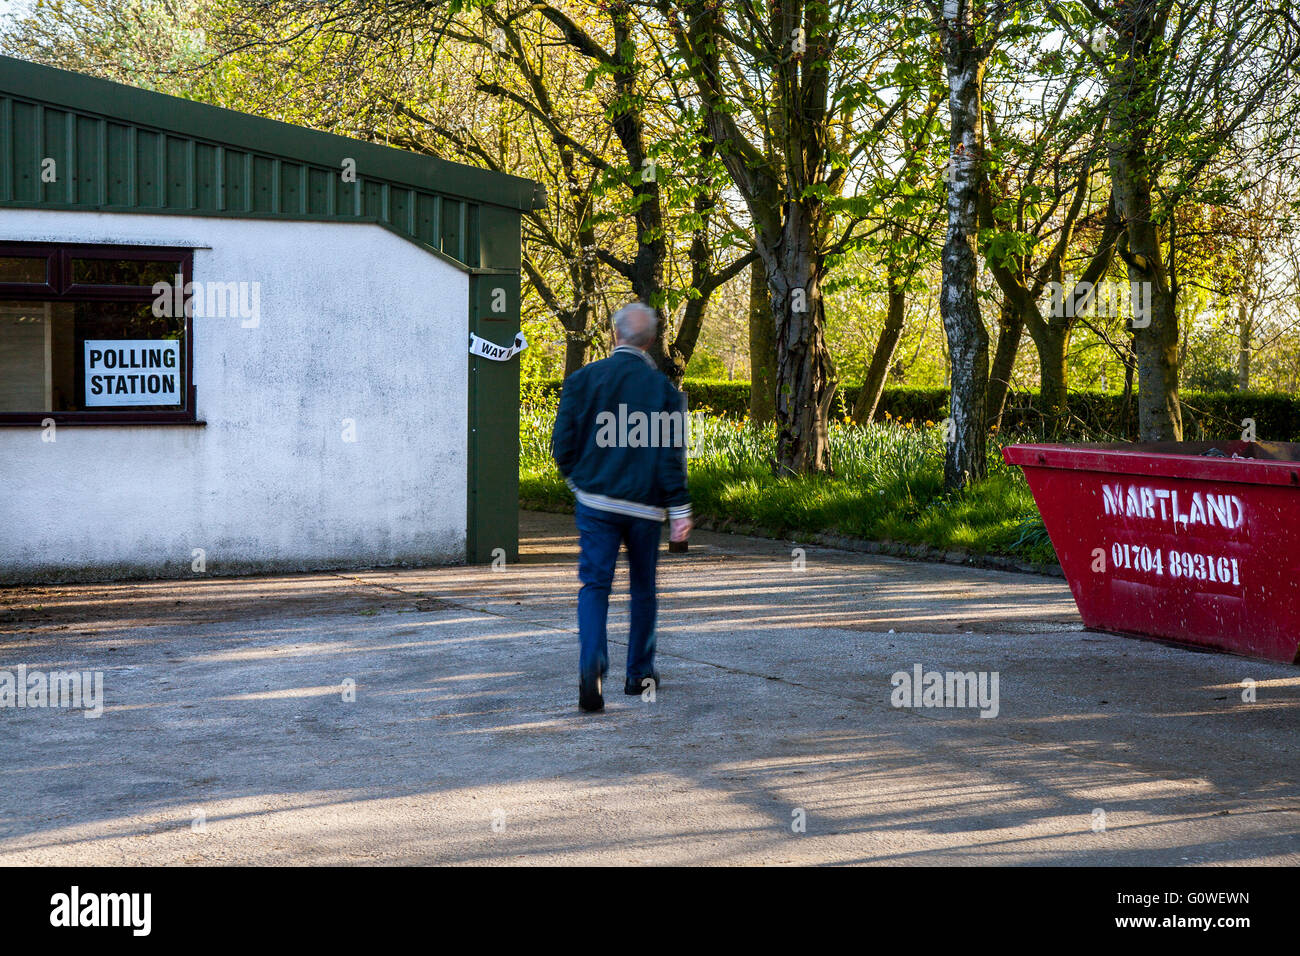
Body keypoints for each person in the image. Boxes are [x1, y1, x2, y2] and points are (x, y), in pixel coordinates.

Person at [551, 302, 693, 712]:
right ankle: (639, 674)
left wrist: (579, 481)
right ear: (650, 340)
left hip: (596, 501)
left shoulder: (583, 379)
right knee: (643, 589)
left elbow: (563, 443)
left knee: (594, 586)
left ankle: (592, 663)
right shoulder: (664, 391)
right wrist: (679, 509)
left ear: (615, 335)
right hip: (646, 508)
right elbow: (671, 455)